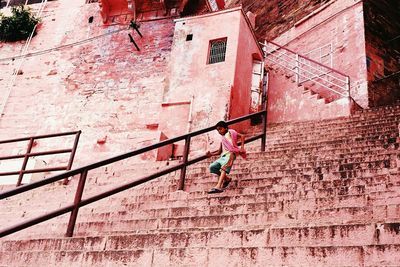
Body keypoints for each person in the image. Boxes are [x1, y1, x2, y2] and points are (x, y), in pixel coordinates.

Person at [206, 121, 246, 194]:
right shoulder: (223, 138)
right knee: (212, 167)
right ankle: (227, 179)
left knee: (224, 168)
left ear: (226, 128)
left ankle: (218, 186)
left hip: (231, 154)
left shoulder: (231, 132)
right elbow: (219, 152)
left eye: (220, 129)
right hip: (223, 156)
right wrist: (211, 154)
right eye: (218, 130)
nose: (219, 131)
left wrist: (242, 147)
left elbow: (242, 136)